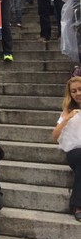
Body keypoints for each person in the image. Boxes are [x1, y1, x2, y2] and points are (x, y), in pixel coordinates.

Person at [52, 77, 81, 222]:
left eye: (80, 89)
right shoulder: (68, 110)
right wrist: (67, 118)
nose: (77, 93)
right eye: (73, 91)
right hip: (74, 152)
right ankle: (77, 205)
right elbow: (54, 136)